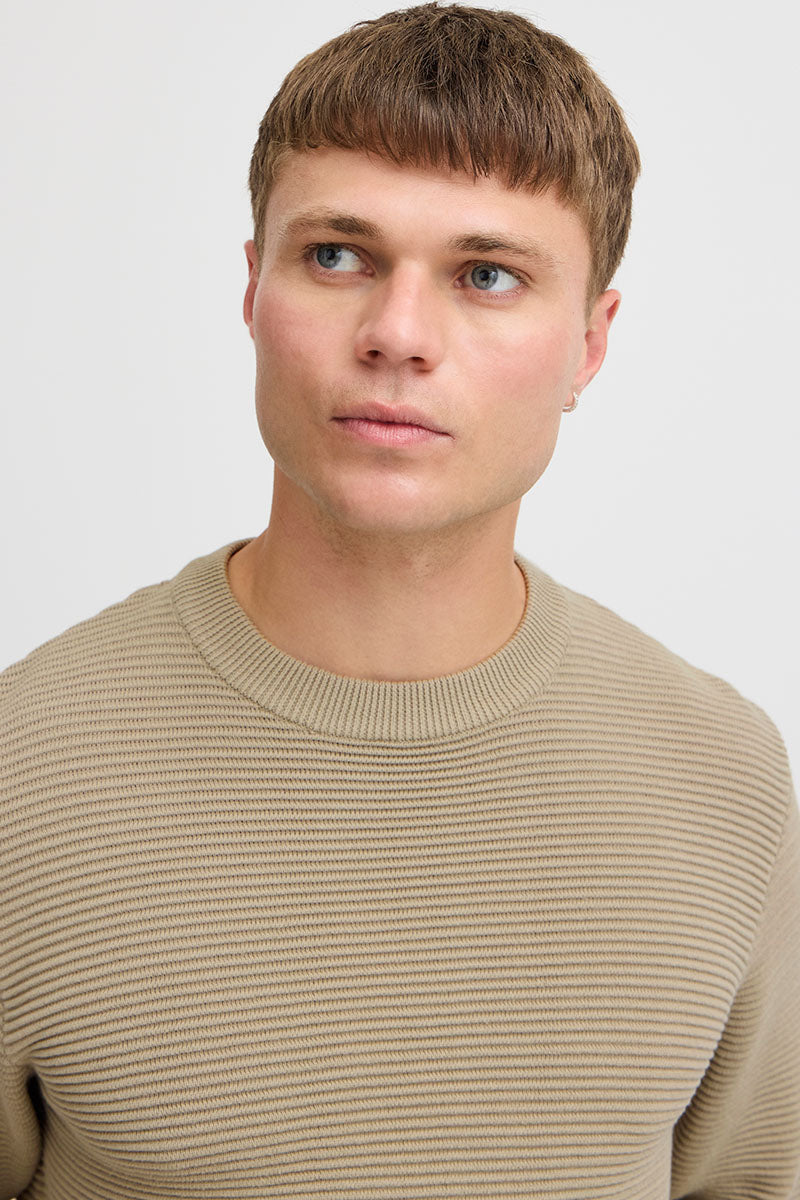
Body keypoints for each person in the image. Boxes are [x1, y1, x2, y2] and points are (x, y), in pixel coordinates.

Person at [1, 2, 798, 1196]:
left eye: (487, 275)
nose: (397, 335)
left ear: (588, 345)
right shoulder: (22, 773)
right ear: (251, 289)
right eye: (337, 256)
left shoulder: (722, 780)